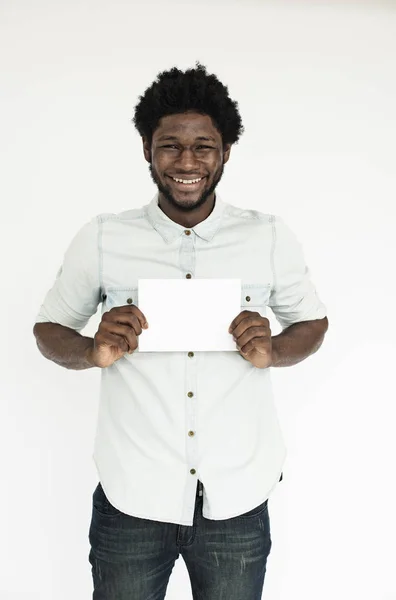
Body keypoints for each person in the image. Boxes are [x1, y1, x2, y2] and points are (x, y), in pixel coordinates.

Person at [33, 62, 328, 600]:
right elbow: (49, 329)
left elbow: (312, 322)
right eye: (170, 146)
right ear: (147, 149)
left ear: (225, 152)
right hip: (132, 498)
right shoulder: (103, 237)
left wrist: (274, 351)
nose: (187, 162)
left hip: (235, 497)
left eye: (204, 147)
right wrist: (92, 351)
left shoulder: (266, 236)